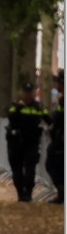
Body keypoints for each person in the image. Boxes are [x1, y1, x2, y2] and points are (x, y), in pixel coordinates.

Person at [5, 82, 48, 202]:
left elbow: (48, 119)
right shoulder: (16, 106)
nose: (28, 95)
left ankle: (28, 193)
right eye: (26, 92)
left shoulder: (38, 107)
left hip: (32, 142)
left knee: (30, 169)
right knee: (17, 169)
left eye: (30, 92)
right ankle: (20, 193)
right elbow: (11, 117)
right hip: (16, 142)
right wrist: (20, 107)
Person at [47, 70, 64, 204]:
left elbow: (59, 120)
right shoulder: (61, 99)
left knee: (52, 164)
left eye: (57, 81)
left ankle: (62, 191)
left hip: (61, 140)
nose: (55, 84)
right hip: (58, 138)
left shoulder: (63, 101)